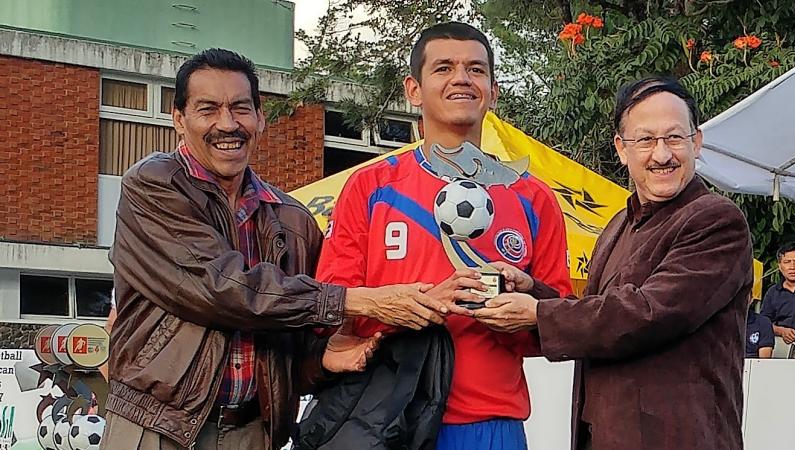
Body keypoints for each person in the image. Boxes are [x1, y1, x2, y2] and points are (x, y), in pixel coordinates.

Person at [103, 48, 451, 450]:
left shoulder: (294, 219)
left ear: (260, 117)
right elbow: (220, 288)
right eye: (208, 109)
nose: (228, 124)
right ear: (179, 118)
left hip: (255, 433)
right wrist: (360, 301)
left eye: (240, 108)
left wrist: (320, 358)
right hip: (156, 428)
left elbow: (294, 332)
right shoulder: (154, 184)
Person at [316, 22, 572, 450]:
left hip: (490, 424)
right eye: (444, 68)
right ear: (413, 90)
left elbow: (558, 323)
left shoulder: (533, 197)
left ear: (493, 91)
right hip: (386, 420)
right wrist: (420, 305)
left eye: (476, 69)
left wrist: (521, 308)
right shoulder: (371, 188)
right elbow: (332, 305)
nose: (461, 78)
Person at [478, 77, 753, 450]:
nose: (661, 154)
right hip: (607, 432)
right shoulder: (619, 223)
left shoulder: (715, 219)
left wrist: (538, 313)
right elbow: (601, 311)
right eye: (645, 140)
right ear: (622, 149)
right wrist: (531, 289)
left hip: (680, 437)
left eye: (674, 138)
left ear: (696, 143)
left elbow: (647, 314)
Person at [761, 242, 795, 356]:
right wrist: (781, 331)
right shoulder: (773, 293)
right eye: (787, 262)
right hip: (783, 349)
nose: (792, 267)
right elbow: (763, 324)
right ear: (779, 266)